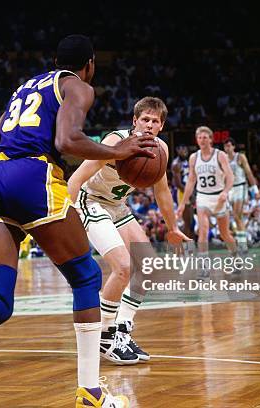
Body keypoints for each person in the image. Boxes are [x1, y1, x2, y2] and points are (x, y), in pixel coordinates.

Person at [0, 35, 156, 408]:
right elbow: (67, 140)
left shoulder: (24, 88)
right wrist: (118, 150)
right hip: (31, 176)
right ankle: (91, 393)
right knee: (85, 277)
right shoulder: (77, 86)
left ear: (54, 60)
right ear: (90, 64)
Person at [67, 96, 190, 365]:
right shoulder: (114, 142)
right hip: (91, 202)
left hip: (118, 207)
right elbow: (76, 178)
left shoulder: (161, 150)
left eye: (154, 121)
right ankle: (104, 335)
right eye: (144, 119)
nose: (148, 125)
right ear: (135, 121)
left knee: (148, 265)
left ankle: (122, 328)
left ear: (161, 126)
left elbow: (161, 191)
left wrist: (172, 228)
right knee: (123, 267)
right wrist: (68, 216)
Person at [178, 126, 236, 279]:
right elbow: (191, 181)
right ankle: (204, 268)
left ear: (211, 139)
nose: (202, 140)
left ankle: (235, 254)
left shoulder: (220, 155)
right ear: (196, 140)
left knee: (225, 234)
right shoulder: (193, 158)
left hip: (219, 197)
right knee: (202, 231)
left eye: (205, 137)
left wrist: (225, 192)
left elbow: (230, 177)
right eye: (199, 137)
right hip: (202, 197)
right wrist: (183, 203)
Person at [223, 138, 258, 254]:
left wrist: (255, 190)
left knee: (237, 216)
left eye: (229, 146)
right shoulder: (223, 159)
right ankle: (242, 243)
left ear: (233, 147)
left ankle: (243, 245)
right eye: (226, 146)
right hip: (230, 189)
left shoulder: (240, 157)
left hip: (241, 187)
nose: (228, 148)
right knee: (236, 218)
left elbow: (248, 173)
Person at [171, 144, 195, 238]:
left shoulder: (186, 161)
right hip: (181, 192)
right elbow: (178, 183)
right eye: (182, 148)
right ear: (177, 150)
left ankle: (190, 246)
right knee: (187, 221)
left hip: (187, 191)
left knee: (191, 221)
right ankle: (186, 248)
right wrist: (190, 194)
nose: (185, 150)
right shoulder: (176, 163)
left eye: (186, 148)